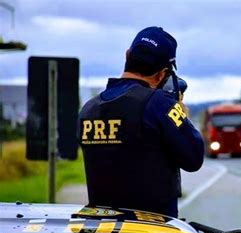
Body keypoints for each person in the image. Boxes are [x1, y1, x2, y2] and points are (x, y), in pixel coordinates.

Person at [78, 26, 204, 218]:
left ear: (127, 55)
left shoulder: (89, 109)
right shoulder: (161, 104)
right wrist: (180, 112)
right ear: (161, 75)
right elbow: (194, 157)